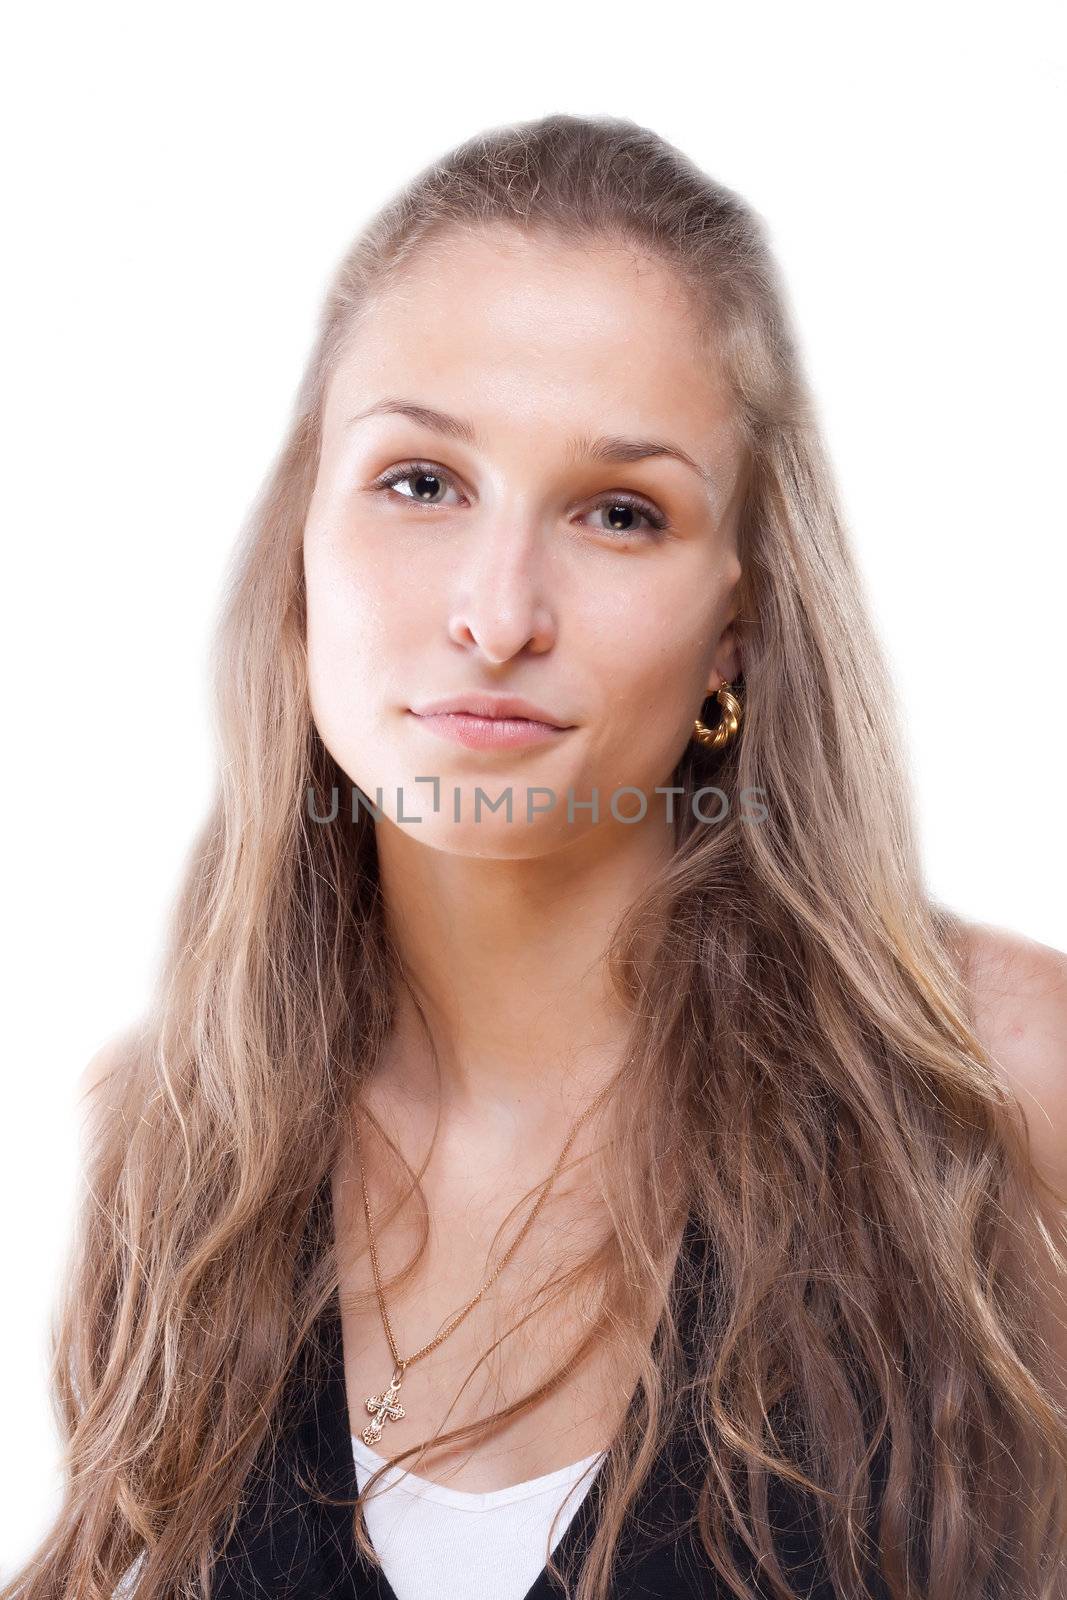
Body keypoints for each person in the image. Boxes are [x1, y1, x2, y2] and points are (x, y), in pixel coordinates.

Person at [5, 113, 1066, 1600]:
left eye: (619, 513)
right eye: (421, 482)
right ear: (301, 549)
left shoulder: (1000, 1084)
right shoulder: (176, 1145)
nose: (498, 614)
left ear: (737, 628)